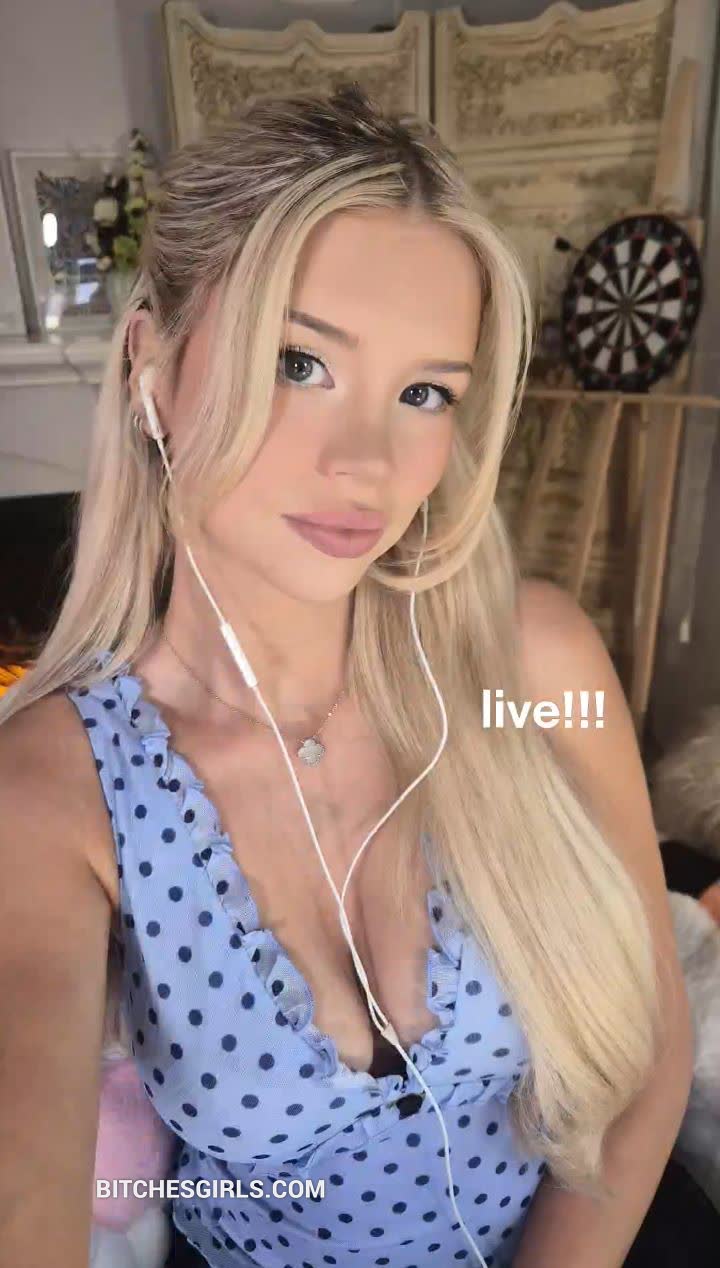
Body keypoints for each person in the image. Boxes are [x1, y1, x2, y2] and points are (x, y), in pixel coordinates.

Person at [0, 85, 692, 1268]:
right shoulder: (57, 789)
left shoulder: (533, 668)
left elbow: (655, 1040)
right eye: (299, 361)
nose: (368, 461)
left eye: (425, 392)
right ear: (152, 366)